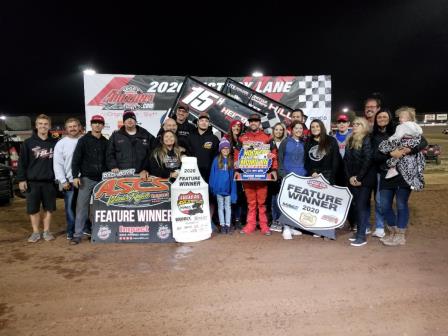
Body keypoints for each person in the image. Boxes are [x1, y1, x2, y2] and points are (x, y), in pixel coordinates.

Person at [374, 107, 427, 246]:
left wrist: (410, 149)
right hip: (387, 173)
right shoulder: (376, 134)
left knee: (401, 204)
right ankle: (392, 231)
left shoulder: (402, 129)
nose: (382, 119)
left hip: (404, 174)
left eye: (385, 117)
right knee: (384, 205)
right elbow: (378, 152)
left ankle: (400, 235)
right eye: (379, 117)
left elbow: (423, 142)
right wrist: (391, 154)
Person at [235, 113, 278, 236]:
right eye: (251, 121)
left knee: (262, 202)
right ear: (249, 123)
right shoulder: (243, 138)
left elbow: (274, 153)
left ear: (259, 123)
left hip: (262, 176)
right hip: (247, 176)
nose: (253, 123)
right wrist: (237, 170)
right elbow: (237, 155)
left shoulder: (267, 137)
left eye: (256, 121)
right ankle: (251, 224)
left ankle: (264, 225)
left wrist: (274, 169)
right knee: (251, 202)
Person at [16, 114, 57, 243]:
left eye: (45, 124)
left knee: (49, 209)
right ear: (36, 125)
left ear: (49, 126)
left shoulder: (55, 143)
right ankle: (35, 232)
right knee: (33, 209)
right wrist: (21, 179)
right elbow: (22, 162)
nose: (43, 126)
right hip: (32, 182)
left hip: (49, 182)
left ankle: (46, 231)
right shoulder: (28, 143)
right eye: (40, 123)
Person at [70, 115, 108, 245]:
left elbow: (108, 160)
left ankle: (100, 232)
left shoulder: (105, 141)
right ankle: (77, 235)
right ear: (91, 125)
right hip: (86, 179)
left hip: (102, 179)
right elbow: (76, 160)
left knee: (102, 207)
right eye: (95, 123)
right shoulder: (83, 140)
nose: (97, 125)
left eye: (100, 123)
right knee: (81, 207)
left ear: (103, 125)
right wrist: (75, 176)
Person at [343, 118, 376, 247]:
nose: (355, 126)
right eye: (354, 124)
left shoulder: (367, 138)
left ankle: (361, 236)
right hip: (353, 179)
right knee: (357, 206)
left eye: (358, 124)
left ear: (365, 126)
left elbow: (368, 160)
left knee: (361, 206)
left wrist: (359, 178)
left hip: (364, 180)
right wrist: (350, 177)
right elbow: (346, 160)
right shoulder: (350, 139)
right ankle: (358, 233)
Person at [53, 118, 82, 240]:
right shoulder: (61, 143)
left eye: (75, 126)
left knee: (83, 207)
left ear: (79, 127)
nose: (73, 128)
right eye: (70, 126)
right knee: (70, 207)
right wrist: (62, 180)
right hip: (68, 181)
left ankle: (84, 228)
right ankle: (71, 231)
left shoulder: (85, 140)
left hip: (83, 180)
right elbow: (57, 164)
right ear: (66, 129)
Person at [379, 107, 424, 187]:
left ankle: (392, 169)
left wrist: (390, 140)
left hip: (404, 146)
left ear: (408, 118)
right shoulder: (416, 126)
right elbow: (420, 134)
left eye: (401, 117)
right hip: (412, 145)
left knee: (391, 152)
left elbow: (397, 136)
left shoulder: (401, 126)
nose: (399, 119)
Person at [278, 120, 307, 240]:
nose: (299, 130)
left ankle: (293, 226)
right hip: (288, 176)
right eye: (296, 128)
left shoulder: (305, 143)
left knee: (297, 204)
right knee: (286, 203)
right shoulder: (285, 142)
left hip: (302, 177)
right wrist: (283, 174)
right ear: (292, 129)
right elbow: (280, 160)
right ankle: (286, 227)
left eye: (301, 128)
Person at [106, 110, 155, 175]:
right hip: (121, 174)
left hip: (142, 175)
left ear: (135, 121)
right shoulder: (116, 136)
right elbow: (109, 153)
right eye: (127, 119)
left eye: (132, 118)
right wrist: (113, 166)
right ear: (124, 122)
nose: (129, 120)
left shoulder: (146, 134)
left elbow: (153, 153)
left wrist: (146, 169)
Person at [209, 138, 238, 234]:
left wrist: (233, 192)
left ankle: (228, 225)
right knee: (220, 207)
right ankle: (222, 225)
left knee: (228, 207)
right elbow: (212, 175)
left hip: (228, 190)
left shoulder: (231, 161)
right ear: (220, 150)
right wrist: (212, 187)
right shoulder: (216, 160)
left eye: (227, 148)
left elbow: (233, 179)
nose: (225, 150)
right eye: (223, 148)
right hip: (219, 190)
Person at [305, 119, 341, 185]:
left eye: (317, 126)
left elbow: (335, 160)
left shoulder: (331, 140)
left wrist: (332, 177)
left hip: (328, 175)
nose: (315, 128)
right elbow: (306, 160)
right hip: (313, 175)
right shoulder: (308, 141)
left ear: (322, 127)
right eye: (312, 127)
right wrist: (312, 172)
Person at [186, 112, 219, 183]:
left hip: (208, 175)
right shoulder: (190, 137)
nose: (204, 123)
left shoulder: (214, 139)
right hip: (191, 173)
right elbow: (186, 153)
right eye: (201, 120)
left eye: (206, 121)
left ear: (209, 124)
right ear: (197, 122)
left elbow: (217, 157)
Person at [224, 119, 245, 229]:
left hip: (241, 171)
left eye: (238, 127)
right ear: (231, 127)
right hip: (229, 170)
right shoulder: (226, 139)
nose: (236, 128)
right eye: (234, 126)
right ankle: (229, 219)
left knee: (239, 195)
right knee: (229, 195)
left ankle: (238, 219)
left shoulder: (243, 139)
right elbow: (222, 155)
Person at [269, 122, 287, 233]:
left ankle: (283, 220)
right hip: (273, 174)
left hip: (284, 173)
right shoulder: (269, 142)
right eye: (276, 129)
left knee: (283, 199)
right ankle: (275, 220)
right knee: (274, 198)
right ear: (273, 130)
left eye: (281, 130)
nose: (278, 131)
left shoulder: (287, 142)